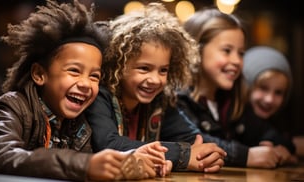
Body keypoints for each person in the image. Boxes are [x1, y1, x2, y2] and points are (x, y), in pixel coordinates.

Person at [0, 0, 167, 181]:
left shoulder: (79, 123)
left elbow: (91, 162)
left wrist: (130, 158)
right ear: (39, 74)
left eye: (94, 76)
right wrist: (85, 166)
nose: (85, 83)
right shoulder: (13, 105)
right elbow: (3, 157)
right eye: (74, 71)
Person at [84, 2, 227, 174]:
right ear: (118, 65)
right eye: (144, 68)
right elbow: (109, 144)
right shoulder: (101, 95)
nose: (155, 79)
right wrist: (184, 155)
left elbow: (195, 139)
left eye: (163, 70)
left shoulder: (160, 100)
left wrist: (210, 155)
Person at [175, 7, 296, 169]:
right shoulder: (178, 99)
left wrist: (278, 148)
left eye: (240, 53)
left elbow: (271, 134)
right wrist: (248, 155)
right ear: (196, 50)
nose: (237, 61)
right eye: (227, 51)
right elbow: (193, 139)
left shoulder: (232, 101)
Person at [243, 46, 298, 163]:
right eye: (263, 88)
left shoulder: (280, 120)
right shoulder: (236, 117)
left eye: (278, 92)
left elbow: (283, 140)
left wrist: (283, 148)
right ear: (245, 87)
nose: (269, 99)